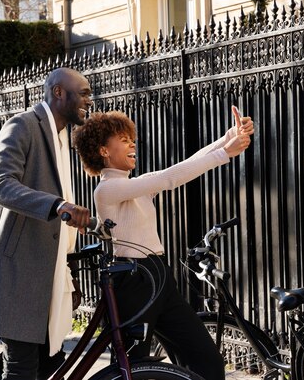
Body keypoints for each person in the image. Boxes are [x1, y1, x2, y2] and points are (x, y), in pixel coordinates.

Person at [71, 106, 254, 379]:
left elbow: (177, 169)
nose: (132, 143)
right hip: (133, 281)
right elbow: (169, 178)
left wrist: (227, 138)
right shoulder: (107, 189)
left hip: (159, 276)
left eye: (131, 138)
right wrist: (225, 152)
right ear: (103, 151)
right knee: (135, 369)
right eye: (123, 140)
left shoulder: (136, 184)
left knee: (207, 363)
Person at [0, 67, 93, 380]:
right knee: (22, 370)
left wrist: (69, 275)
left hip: (47, 278)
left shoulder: (63, 138)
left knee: (50, 366)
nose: (90, 100)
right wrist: (57, 205)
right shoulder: (23, 125)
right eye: (84, 92)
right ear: (59, 92)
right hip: (17, 278)